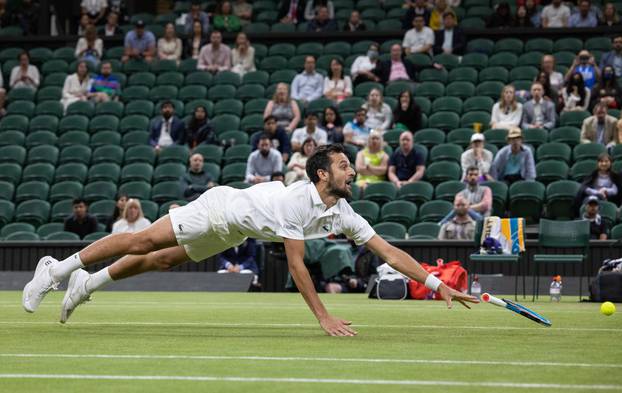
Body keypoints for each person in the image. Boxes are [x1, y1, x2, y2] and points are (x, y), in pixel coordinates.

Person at [23, 143, 477, 333]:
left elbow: (389, 252)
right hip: (219, 209)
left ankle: (87, 285)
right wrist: (323, 317)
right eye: (344, 165)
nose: (353, 170)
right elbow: (297, 265)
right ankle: (57, 271)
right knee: (143, 242)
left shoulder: (345, 210)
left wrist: (437, 285)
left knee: (163, 262)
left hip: (235, 229)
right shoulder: (299, 201)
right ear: (323, 174)